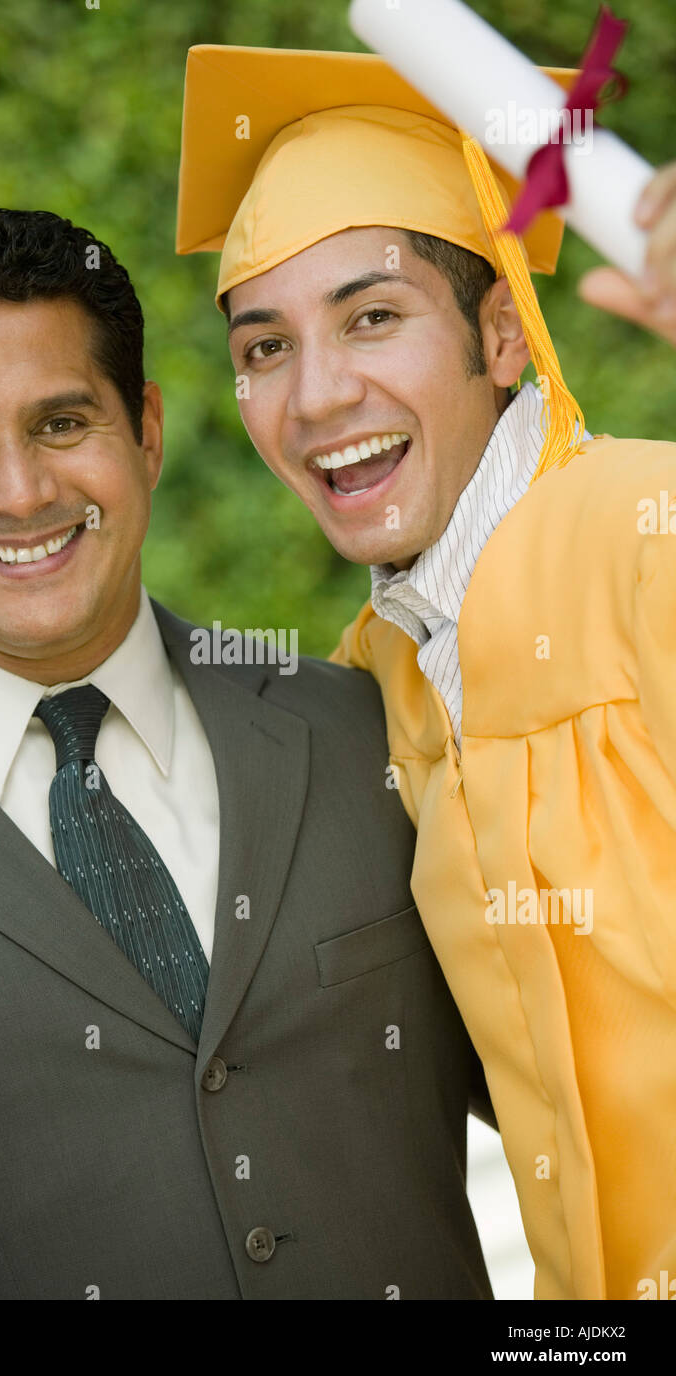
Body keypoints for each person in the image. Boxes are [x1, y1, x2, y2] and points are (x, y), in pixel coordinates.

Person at [0, 206, 494, 1301]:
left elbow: (583, 1068)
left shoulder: (368, 731)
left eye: (62, 422)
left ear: (147, 431)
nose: (21, 493)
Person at [173, 43, 676, 1301]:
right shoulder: (371, 685)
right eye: (264, 347)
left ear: (502, 333)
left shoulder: (651, 538)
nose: (316, 394)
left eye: (373, 316)